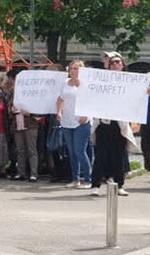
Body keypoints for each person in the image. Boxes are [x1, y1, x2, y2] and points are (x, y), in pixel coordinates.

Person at [89, 53, 138, 197]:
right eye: (113, 63)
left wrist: (145, 92)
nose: (116, 65)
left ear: (123, 65)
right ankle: (95, 185)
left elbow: (136, 97)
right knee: (100, 156)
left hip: (119, 124)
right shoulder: (102, 81)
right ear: (109, 66)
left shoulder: (129, 82)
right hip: (104, 123)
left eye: (118, 62)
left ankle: (119, 184)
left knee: (119, 156)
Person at [56, 60, 92, 189]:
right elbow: (60, 98)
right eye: (71, 68)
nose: (73, 71)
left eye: (76, 68)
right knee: (71, 152)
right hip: (67, 120)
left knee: (80, 150)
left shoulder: (86, 84)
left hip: (81, 122)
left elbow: (92, 101)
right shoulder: (65, 83)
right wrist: (59, 111)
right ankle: (75, 179)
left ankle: (88, 179)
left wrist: (86, 115)